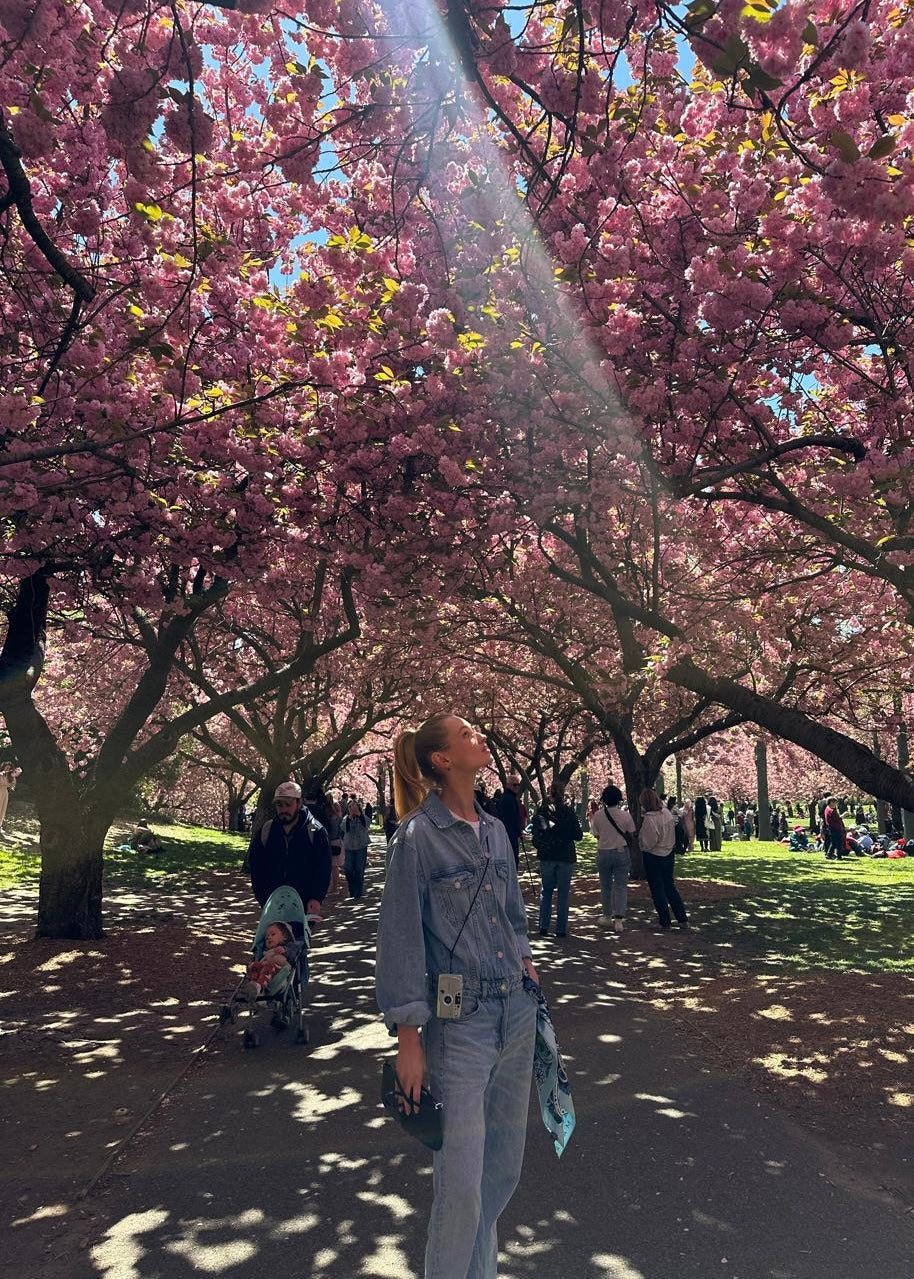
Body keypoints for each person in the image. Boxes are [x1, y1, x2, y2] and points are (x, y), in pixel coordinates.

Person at [375, 712, 539, 1279]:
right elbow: (400, 941)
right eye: (467, 733)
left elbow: (513, 915)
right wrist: (409, 1040)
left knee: (502, 1172)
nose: (481, 736)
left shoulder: (495, 830)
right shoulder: (417, 838)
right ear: (442, 760)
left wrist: (527, 966)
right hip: (460, 1024)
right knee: (463, 1185)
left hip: (515, 1011)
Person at [247, 781, 331, 915]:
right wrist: (263, 899)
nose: (283, 810)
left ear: (299, 803)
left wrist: (316, 898)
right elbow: (257, 867)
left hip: (304, 903)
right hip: (273, 903)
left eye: (288, 804)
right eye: (279, 805)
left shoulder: (315, 830)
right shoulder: (267, 831)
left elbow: (323, 867)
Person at [532, 783, 583, 938]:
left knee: (546, 891)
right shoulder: (568, 812)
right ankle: (560, 928)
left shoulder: (542, 812)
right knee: (563, 893)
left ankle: (543, 925)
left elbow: (536, 833)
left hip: (547, 855)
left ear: (549, 794)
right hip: (565, 856)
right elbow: (578, 835)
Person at [639, 788, 689, 932]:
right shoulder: (666, 813)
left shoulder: (650, 818)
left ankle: (665, 921)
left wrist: (641, 844)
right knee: (669, 886)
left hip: (653, 855)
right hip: (669, 852)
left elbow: (649, 842)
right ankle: (682, 919)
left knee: (657, 888)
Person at [589, 784, 634, 933]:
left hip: (603, 851)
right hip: (621, 851)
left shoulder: (598, 815)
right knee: (621, 885)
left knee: (605, 885)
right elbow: (631, 832)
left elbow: (595, 834)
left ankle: (607, 916)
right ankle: (619, 919)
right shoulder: (625, 815)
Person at [237, 921, 299, 1000]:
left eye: (273, 934)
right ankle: (252, 986)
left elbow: (294, 952)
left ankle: (258, 987)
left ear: (285, 937)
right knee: (255, 965)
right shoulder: (266, 951)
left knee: (269, 967)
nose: (269, 937)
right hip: (263, 972)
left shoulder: (289, 946)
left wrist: (285, 950)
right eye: (266, 938)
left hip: (278, 976)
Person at [342, 799, 371, 898]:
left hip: (361, 846)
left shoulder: (363, 817)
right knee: (348, 869)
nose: (352, 808)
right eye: (350, 807)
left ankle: (358, 892)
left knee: (359, 869)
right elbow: (344, 828)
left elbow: (367, 824)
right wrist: (350, 817)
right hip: (349, 847)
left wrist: (359, 814)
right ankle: (352, 888)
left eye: (354, 806)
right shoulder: (346, 818)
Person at [495, 774, 524, 866]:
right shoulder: (509, 799)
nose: (517, 787)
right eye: (515, 785)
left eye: (518, 785)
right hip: (509, 834)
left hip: (507, 833)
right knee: (512, 860)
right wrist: (519, 832)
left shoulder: (507, 797)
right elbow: (513, 818)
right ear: (508, 785)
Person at [326, 798, 345, 894]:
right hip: (338, 842)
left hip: (331, 842)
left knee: (331, 867)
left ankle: (332, 887)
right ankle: (335, 886)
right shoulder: (340, 819)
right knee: (335, 867)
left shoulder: (330, 819)